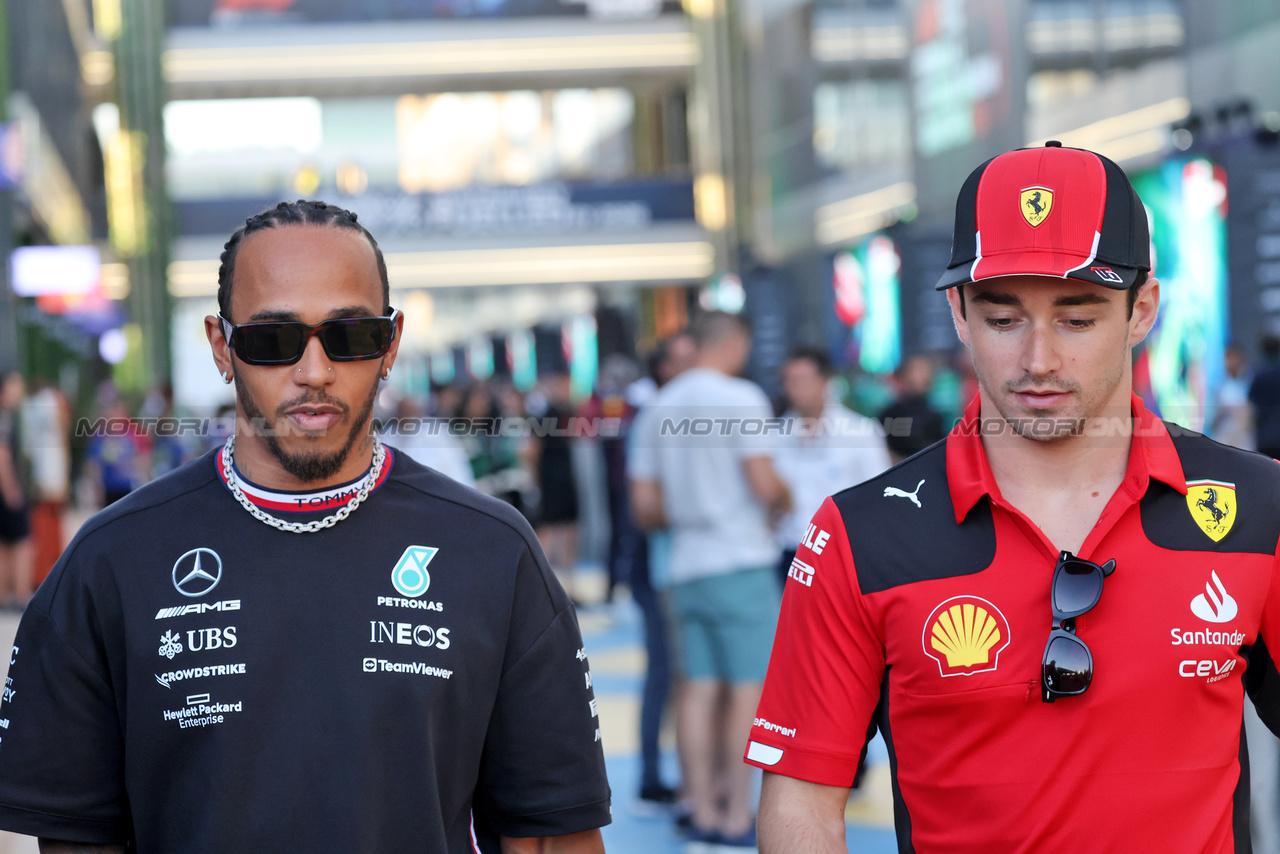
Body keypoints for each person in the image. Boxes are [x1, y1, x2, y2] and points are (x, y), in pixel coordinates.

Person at [0, 200, 609, 853]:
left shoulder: (492, 554)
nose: (314, 371)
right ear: (221, 347)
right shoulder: (110, 563)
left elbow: (549, 837)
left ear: (390, 345)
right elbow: (76, 841)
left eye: (350, 336)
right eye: (273, 340)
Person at [749, 141, 1280, 853]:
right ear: (960, 314)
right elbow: (803, 804)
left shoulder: (1258, 506)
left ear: (1143, 309)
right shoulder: (859, 534)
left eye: (1078, 318)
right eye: (1003, 320)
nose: (1038, 359)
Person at [630, 311, 790, 848]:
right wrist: (783, 503)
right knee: (748, 692)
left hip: (683, 567)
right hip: (740, 559)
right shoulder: (741, 398)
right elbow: (764, 483)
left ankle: (700, 807)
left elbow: (646, 507)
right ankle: (737, 816)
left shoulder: (656, 407)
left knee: (696, 690)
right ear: (736, 343)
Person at [773, 346, 890, 590]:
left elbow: (879, 497)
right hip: (788, 553)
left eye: (802, 380)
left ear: (825, 382)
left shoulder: (860, 432)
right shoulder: (774, 436)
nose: (794, 388)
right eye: (789, 380)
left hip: (842, 552)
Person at [878, 353, 946, 463]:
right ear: (905, 375)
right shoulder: (890, 414)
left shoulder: (934, 415)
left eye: (928, 370)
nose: (926, 376)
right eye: (919, 370)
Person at [0, 372, 31, 610]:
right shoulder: (6, 417)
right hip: (6, 490)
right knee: (22, 542)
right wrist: (11, 489)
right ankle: (20, 594)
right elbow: (3, 454)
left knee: (5, 543)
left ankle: (3, 595)